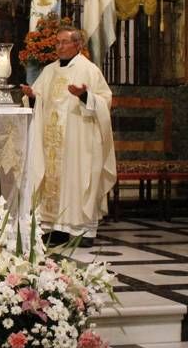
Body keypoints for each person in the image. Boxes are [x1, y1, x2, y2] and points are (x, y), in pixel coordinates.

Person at [20, 25, 117, 248]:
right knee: (52, 180)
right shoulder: (49, 71)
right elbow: (40, 98)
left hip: (79, 140)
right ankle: (56, 228)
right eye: (57, 42)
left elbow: (105, 100)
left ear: (78, 45)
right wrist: (33, 97)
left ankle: (83, 231)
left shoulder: (89, 69)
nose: (60, 46)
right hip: (51, 141)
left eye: (65, 42)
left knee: (79, 180)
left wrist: (85, 96)